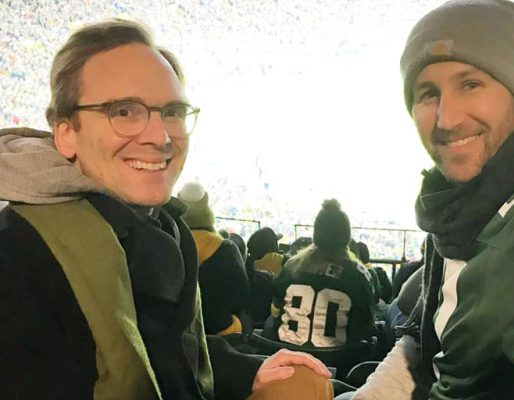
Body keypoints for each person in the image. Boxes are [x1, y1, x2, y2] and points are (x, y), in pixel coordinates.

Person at [0, 19, 332, 400]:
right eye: (124, 111)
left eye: (172, 111)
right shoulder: (18, 257)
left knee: (301, 382)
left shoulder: (159, 228)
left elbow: (164, 351)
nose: (160, 137)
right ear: (66, 133)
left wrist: (250, 371)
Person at [343, 1, 514, 399]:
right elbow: (426, 356)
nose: (446, 119)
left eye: (471, 84)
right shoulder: (465, 211)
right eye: (428, 93)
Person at [266, 199, 376, 348]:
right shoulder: (358, 273)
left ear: (316, 233)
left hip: (288, 355)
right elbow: (366, 324)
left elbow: (276, 310)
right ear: (346, 236)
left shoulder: (292, 266)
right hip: (339, 363)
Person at [178, 181, 250, 336]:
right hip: (219, 330)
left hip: (172, 331)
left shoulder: (163, 243)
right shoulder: (226, 249)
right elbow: (240, 298)